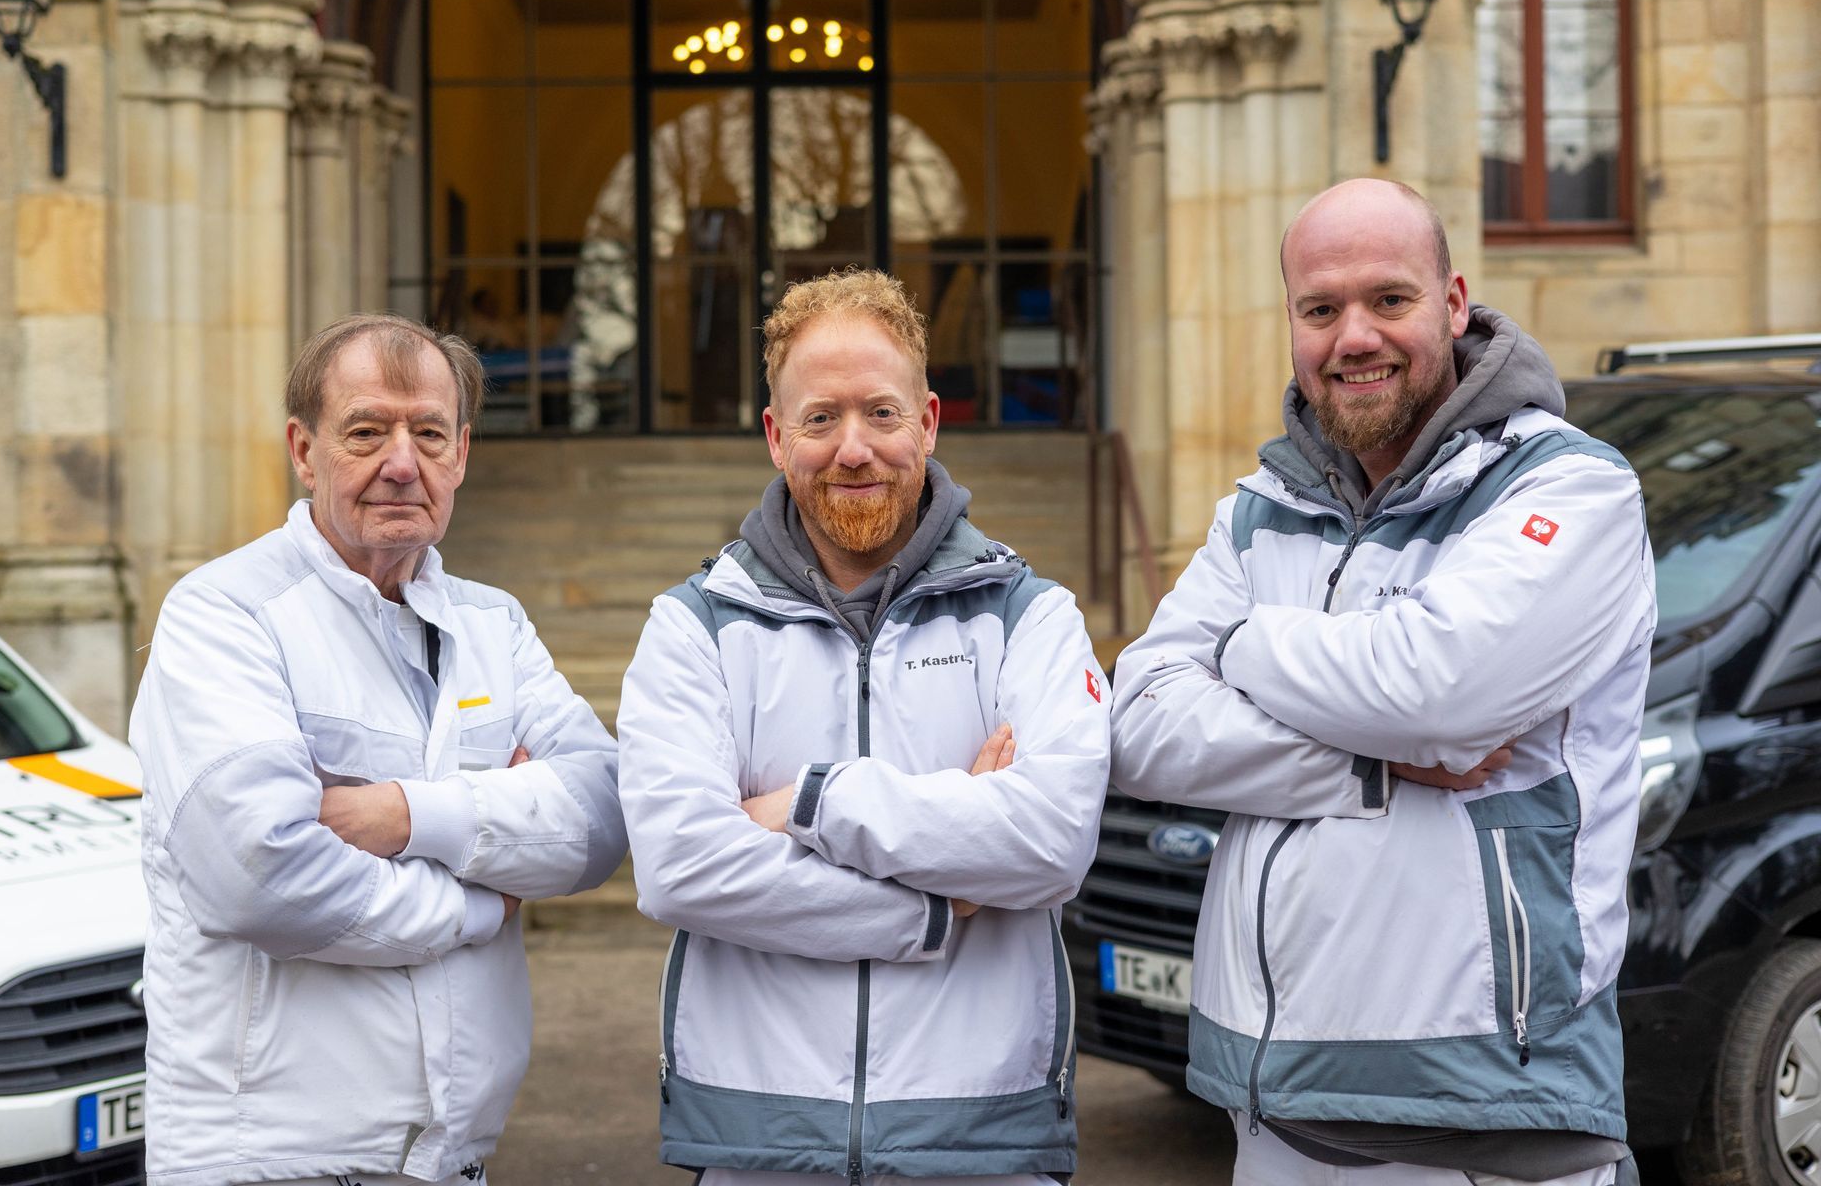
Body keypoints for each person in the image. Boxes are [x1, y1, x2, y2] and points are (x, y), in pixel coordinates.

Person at [1111, 179, 1655, 1186]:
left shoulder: (1566, 487)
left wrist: (1239, 643)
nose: (1353, 335)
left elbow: (1434, 696)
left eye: (1388, 300)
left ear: (1453, 303)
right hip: (1270, 1108)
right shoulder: (1262, 505)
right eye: (1320, 309)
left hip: (1490, 1116)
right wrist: (1376, 770)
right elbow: (1140, 722)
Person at [617, 268, 1110, 1184]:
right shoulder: (695, 627)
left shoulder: (1028, 618)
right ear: (775, 436)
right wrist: (935, 901)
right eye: (819, 419)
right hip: (759, 1145)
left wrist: (808, 801)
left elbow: (1051, 842)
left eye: (881, 415)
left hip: (982, 1141)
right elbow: (681, 865)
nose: (854, 448)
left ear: (927, 420)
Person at [131, 313, 626, 1186]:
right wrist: (480, 903)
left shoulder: (492, 624)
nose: (403, 462)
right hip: (274, 1160)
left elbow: (599, 817)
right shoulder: (226, 616)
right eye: (366, 431)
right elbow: (260, 875)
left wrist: (403, 815)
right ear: (304, 449)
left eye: (428, 433)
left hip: (455, 1155)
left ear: (462, 454)